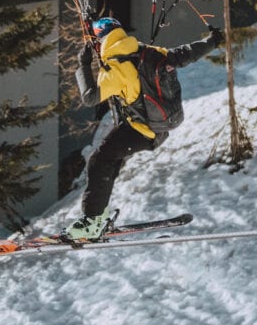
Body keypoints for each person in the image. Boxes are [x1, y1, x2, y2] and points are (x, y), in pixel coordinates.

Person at [65, 15, 224, 243]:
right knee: (109, 162)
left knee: (99, 162)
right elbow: (183, 54)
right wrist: (212, 41)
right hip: (157, 126)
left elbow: (90, 97)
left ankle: (92, 222)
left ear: (100, 43)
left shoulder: (117, 68)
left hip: (141, 130)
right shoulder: (146, 51)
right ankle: (98, 216)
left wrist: (82, 65)